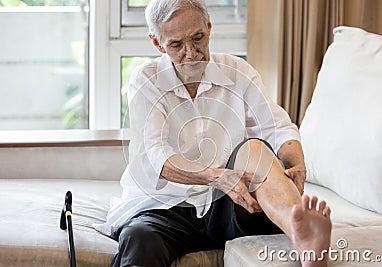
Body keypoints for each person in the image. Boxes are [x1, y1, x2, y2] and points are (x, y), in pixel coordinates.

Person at [95, 0, 332, 266]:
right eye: (176, 44)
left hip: (228, 206)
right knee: (140, 238)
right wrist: (217, 177)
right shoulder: (146, 80)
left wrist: (295, 163)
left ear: (209, 27)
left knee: (254, 150)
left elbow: (278, 128)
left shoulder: (239, 72)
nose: (192, 53)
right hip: (164, 208)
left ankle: (302, 234)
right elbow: (156, 156)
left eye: (198, 38)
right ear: (158, 43)